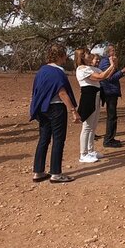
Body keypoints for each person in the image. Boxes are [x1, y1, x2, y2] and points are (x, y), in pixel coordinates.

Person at [29, 44, 80, 183]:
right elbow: (62, 93)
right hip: (56, 109)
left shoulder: (41, 71)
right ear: (59, 56)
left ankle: (38, 172)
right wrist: (73, 111)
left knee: (44, 139)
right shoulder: (57, 71)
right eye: (64, 55)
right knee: (58, 140)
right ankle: (56, 173)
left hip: (43, 109)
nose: (65, 58)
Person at [75, 49, 117, 163]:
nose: (91, 55)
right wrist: (112, 65)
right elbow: (100, 77)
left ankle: (90, 150)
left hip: (96, 96)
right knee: (87, 126)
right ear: (83, 56)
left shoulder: (92, 68)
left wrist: (114, 65)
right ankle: (83, 154)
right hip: (88, 98)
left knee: (93, 126)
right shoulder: (82, 69)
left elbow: (107, 75)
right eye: (88, 53)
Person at [99, 44, 125, 148]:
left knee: (113, 116)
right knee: (111, 116)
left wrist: (116, 65)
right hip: (109, 92)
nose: (115, 52)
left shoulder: (110, 61)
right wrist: (122, 71)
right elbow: (108, 78)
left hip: (112, 91)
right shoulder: (105, 62)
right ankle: (108, 140)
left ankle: (111, 138)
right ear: (108, 52)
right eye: (113, 50)